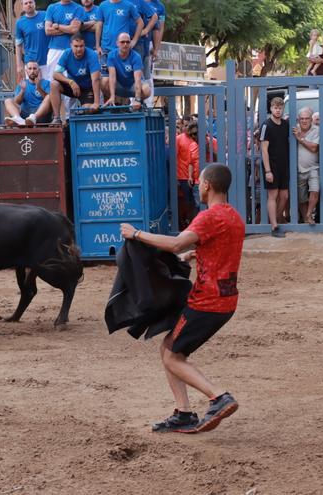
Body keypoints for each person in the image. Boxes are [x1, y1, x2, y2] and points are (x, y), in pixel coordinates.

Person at [119, 163, 243, 434]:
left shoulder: (209, 217)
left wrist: (136, 234)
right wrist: (194, 255)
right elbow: (219, 248)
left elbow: (177, 243)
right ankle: (183, 413)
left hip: (206, 301)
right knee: (168, 348)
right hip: (226, 299)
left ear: (208, 185)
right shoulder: (234, 216)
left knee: (173, 357)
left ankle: (218, 397)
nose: (198, 186)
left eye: (200, 182)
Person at [50, 34, 102, 121]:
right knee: (54, 84)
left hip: (87, 89)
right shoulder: (66, 53)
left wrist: (96, 103)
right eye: (76, 46)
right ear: (71, 45)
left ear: (84, 45)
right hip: (72, 86)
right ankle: (57, 118)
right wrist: (71, 82)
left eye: (81, 46)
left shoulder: (92, 55)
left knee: (88, 110)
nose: (78, 49)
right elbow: (55, 74)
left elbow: (96, 79)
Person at [259, 97, 290, 238]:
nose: (278, 110)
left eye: (280, 108)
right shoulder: (266, 125)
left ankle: (277, 219)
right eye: (275, 108)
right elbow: (264, 149)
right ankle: (274, 226)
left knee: (284, 196)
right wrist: (267, 171)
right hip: (272, 165)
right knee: (273, 195)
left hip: (284, 165)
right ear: (271, 109)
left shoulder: (285, 124)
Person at [102, 32, 151, 110]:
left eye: (127, 42)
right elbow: (112, 78)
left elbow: (138, 80)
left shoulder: (136, 57)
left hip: (133, 86)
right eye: (122, 42)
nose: (125, 44)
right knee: (103, 82)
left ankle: (137, 103)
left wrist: (137, 99)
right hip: (120, 85)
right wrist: (112, 96)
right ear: (117, 43)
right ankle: (117, 101)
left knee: (147, 89)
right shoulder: (111, 55)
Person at [95, 0, 143, 69]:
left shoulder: (129, 5)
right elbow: (99, 25)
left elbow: (140, 23)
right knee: (105, 78)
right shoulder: (103, 5)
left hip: (123, 49)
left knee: (122, 77)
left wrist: (134, 40)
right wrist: (97, 46)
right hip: (106, 48)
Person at [292, 107, 319, 225]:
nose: (304, 121)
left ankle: (309, 214)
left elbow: (314, 148)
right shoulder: (294, 130)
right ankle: (306, 218)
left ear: (311, 119)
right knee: (301, 197)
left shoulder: (316, 130)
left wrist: (301, 139)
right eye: (301, 118)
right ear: (298, 119)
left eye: (307, 118)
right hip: (297, 169)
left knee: (315, 190)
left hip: (313, 167)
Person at [5, 60, 53, 126]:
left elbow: (50, 101)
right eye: (30, 68)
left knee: (49, 96)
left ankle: (34, 117)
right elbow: (16, 102)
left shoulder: (46, 83)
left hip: (41, 115)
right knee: (8, 101)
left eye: (34, 68)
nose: (32, 71)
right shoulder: (22, 83)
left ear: (38, 70)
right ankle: (18, 119)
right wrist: (22, 90)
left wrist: (39, 88)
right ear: (26, 71)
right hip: (26, 117)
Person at [44, 0, 84, 76]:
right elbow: (48, 31)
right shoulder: (52, 7)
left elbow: (74, 29)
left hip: (71, 49)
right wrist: (69, 28)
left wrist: (57, 26)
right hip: (54, 49)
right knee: (51, 78)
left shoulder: (78, 8)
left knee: (69, 80)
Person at [15, 0, 50, 82]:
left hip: (47, 61)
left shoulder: (45, 15)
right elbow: (18, 45)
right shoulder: (19, 23)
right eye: (26, 3)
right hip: (30, 64)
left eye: (30, 2)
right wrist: (19, 65)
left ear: (35, 3)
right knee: (32, 91)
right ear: (22, 6)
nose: (28, 5)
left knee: (48, 90)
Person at [175, 121, 197, 229]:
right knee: (188, 202)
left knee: (196, 202)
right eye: (186, 125)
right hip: (183, 176)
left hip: (197, 176)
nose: (187, 127)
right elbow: (174, 157)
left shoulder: (197, 138)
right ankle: (190, 225)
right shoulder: (179, 139)